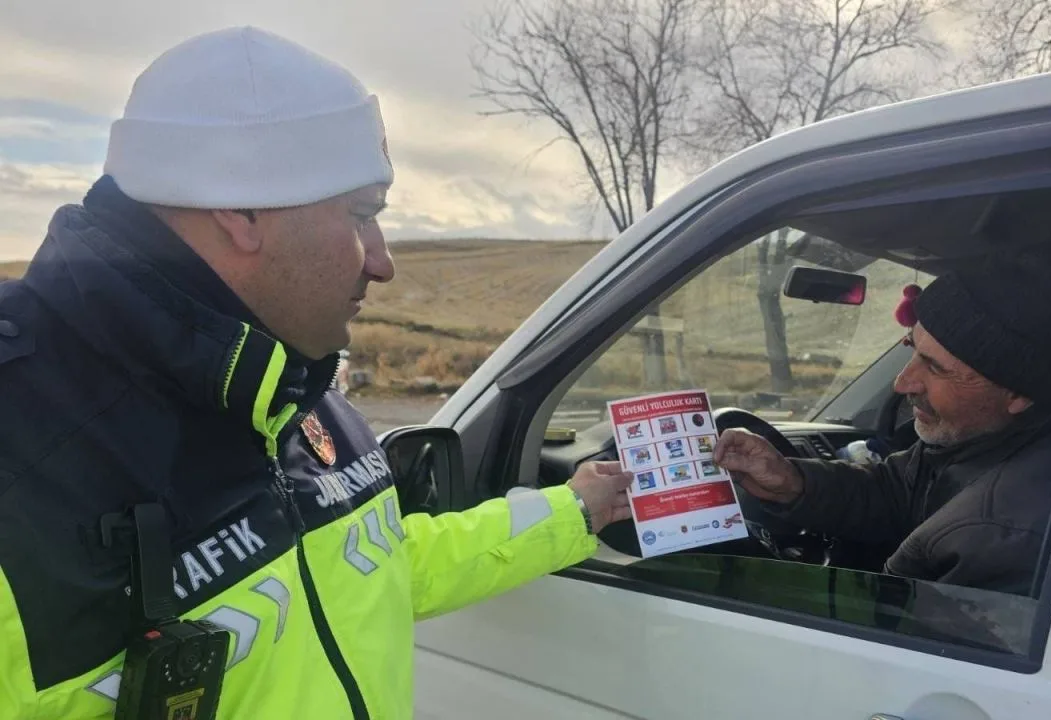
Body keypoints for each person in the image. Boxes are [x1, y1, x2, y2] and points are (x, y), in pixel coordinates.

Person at [0, 27, 633, 719]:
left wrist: (573, 510)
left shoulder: (289, 383)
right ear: (241, 210)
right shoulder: (24, 442)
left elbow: (375, 560)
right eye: (361, 216)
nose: (382, 261)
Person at [715, 248, 1051, 596]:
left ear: (1018, 394)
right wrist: (790, 483)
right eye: (913, 349)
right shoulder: (984, 441)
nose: (903, 382)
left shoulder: (998, 537)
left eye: (935, 368)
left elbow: (894, 648)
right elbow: (898, 491)